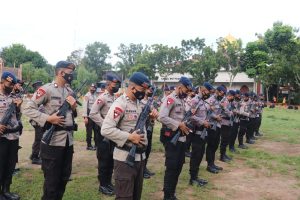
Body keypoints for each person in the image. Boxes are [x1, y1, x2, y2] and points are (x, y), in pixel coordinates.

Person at [23, 61, 78, 200]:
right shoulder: (46, 89)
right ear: (61, 73)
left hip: (67, 142)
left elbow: (73, 115)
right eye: (70, 73)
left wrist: (73, 108)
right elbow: (28, 108)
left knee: (64, 178)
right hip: (52, 142)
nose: (72, 75)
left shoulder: (69, 91)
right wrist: (48, 118)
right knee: (51, 183)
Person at [101, 72, 157, 200]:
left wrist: (151, 119)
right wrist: (130, 137)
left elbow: (142, 127)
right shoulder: (120, 104)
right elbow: (106, 129)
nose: (144, 93)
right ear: (132, 88)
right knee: (124, 197)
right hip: (124, 159)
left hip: (140, 158)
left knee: (136, 195)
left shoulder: (139, 103)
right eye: (142, 89)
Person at [159, 76, 193, 200]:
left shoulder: (182, 100)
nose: (187, 93)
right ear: (180, 87)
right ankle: (167, 196)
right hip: (172, 138)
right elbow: (162, 117)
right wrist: (178, 125)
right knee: (172, 168)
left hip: (181, 139)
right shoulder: (170, 99)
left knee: (178, 166)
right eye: (186, 90)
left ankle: (172, 193)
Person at [89, 74, 121, 196]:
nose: (117, 87)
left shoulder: (115, 98)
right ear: (108, 85)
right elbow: (93, 113)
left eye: (118, 85)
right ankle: (102, 185)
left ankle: (108, 182)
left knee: (111, 159)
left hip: (113, 134)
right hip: (103, 135)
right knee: (104, 160)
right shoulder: (102, 97)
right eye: (115, 85)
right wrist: (106, 125)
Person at [0, 72, 23, 200]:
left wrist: (19, 108)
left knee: (10, 165)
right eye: (9, 84)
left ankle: (6, 190)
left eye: (13, 84)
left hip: (13, 136)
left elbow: (17, 117)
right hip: (1, 137)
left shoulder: (14, 97)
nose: (11, 86)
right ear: (2, 81)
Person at [188, 82, 213, 187]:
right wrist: (203, 122)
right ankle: (192, 179)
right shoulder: (195, 101)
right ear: (203, 90)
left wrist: (207, 120)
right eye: (208, 91)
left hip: (203, 133)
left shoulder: (203, 102)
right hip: (196, 133)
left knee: (200, 155)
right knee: (195, 155)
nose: (209, 94)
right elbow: (189, 116)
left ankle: (196, 177)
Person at [205, 85, 226, 174]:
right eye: (221, 93)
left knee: (215, 145)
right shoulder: (211, 100)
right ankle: (209, 165)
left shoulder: (218, 100)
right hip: (211, 126)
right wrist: (215, 117)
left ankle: (213, 163)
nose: (222, 95)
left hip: (218, 125)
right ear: (217, 91)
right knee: (211, 145)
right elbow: (206, 112)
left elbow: (220, 111)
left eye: (223, 93)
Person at [140, 86, 157, 179]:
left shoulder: (150, 101)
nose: (150, 90)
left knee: (148, 149)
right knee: (142, 149)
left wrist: (154, 115)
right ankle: (141, 170)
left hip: (149, 127)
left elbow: (153, 112)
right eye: (149, 89)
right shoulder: (140, 101)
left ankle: (144, 167)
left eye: (151, 89)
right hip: (142, 128)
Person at [29, 80, 44, 165]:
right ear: (37, 87)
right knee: (38, 139)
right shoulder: (37, 95)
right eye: (40, 86)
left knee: (38, 139)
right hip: (37, 121)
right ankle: (35, 157)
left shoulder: (38, 95)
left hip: (39, 120)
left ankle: (33, 155)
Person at [219, 90, 235, 163]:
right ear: (230, 95)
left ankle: (224, 154)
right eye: (232, 96)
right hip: (224, 122)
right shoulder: (224, 100)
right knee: (224, 140)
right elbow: (226, 111)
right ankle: (222, 156)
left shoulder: (229, 101)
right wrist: (231, 113)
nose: (233, 98)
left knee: (227, 139)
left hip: (228, 122)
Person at [83, 83, 98, 150]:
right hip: (89, 116)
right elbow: (85, 106)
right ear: (89, 88)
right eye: (91, 88)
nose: (92, 89)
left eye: (94, 88)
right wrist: (85, 117)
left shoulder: (96, 96)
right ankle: (88, 145)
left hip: (95, 115)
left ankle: (96, 145)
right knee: (89, 131)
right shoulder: (87, 96)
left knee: (96, 131)